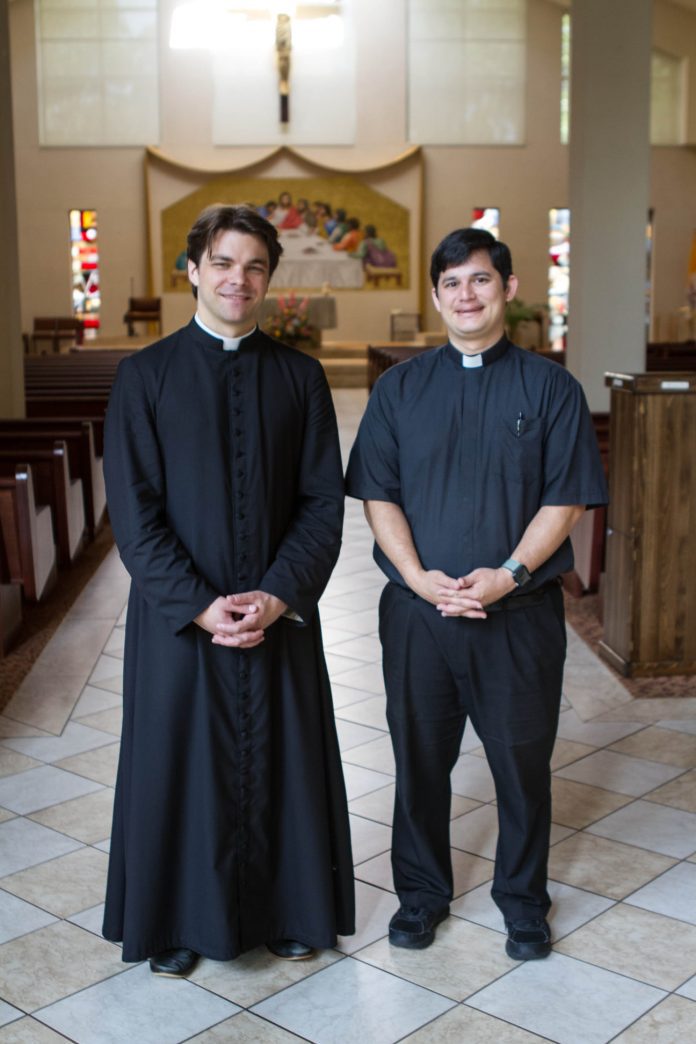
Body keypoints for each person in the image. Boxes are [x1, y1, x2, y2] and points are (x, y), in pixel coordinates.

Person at [102, 203, 354, 977]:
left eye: (253, 266)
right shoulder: (144, 377)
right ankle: (176, 920)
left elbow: (321, 502)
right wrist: (200, 604)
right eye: (221, 262)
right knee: (179, 763)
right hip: (182, 621)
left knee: (284, 760)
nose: (236, 279)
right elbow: (134, 513)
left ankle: (289, 911)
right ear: (193, 270)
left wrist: (279, 594)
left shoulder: (300, 377)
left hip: (276, 614)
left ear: (270, 280)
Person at [345, 227, 607, 961]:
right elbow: (377, 494)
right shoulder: (400, 388)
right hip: (418, 615)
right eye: (453, 283)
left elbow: (566, 500)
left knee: (521, 766)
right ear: (436, 295)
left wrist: (510, 574)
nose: (467, 294)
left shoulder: (552, 388)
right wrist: (416, 576)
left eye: (481, 280)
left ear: (509, 289)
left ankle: (523, 902)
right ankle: (421, 896)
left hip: (518, 618)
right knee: (419, 761)